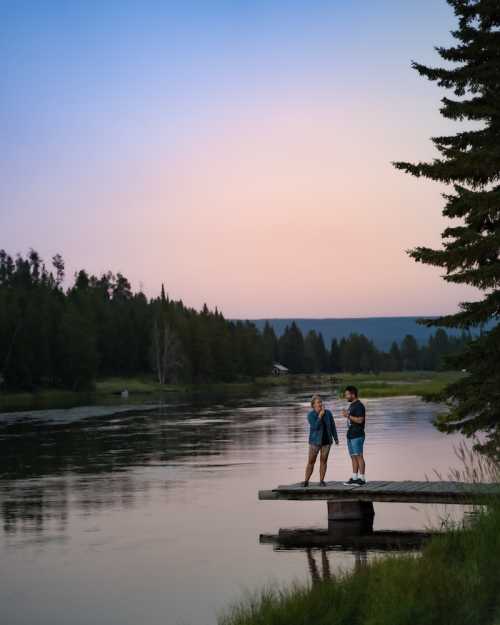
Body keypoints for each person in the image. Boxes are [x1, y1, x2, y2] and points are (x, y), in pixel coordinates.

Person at [303, 394, 338, 487]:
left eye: (321, 402)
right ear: (313, 405)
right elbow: (315, 427)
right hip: (315, 442)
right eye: (318, 402)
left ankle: (321, 481)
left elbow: (333, 426)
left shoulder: (328, 413)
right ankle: (306, 481)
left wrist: (336, 438)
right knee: (311, 461)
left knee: (324, 461)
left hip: (327, 442)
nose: (320, 404)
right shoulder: (310, 415)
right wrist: (320, 416)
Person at [342, 385, 366, 485]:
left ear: (353, 394)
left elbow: (360, 420)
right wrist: (348, 414)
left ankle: (362, 479)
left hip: (357, 434)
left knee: (359, 456)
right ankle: (354, 477)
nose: (346, 396)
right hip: (350, 435)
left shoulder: (359, 405)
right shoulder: (352, 405)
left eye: (347, 394)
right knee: (353, 456)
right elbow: (353, 418)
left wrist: (348, 415)